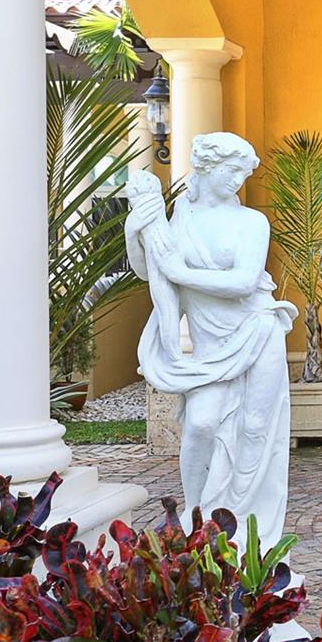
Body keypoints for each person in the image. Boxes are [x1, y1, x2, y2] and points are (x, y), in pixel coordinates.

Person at [126, 132, 298, 545]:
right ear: (206, 167)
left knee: (256, 428)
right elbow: (151, 271)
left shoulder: (252, 222)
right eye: (231, 170)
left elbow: (243, 282)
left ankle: (249, 529)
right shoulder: (178, 221)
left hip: (258, 330)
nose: (238, 180)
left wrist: (181, 272)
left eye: (243, 173)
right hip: (210, 346)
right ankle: (197, 516)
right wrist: (135, 231)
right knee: (201, 424)